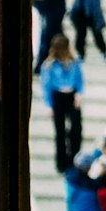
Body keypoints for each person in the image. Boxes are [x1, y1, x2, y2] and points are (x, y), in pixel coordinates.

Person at [41, 32, 83, 172]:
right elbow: (46, 87)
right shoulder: (49, 65)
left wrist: (79, 94)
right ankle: (62, 162)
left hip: (71, 95)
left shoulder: (74, 62)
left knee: (76, 129)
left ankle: (75, 159)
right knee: (60, 131)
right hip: (58, 97)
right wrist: (48, 105)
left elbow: (79, 80)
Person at [33, 0, 69, 75]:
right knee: (55, 34)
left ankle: (40, 65)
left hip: (56, 8)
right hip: (46, 7)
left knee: (47, 35)